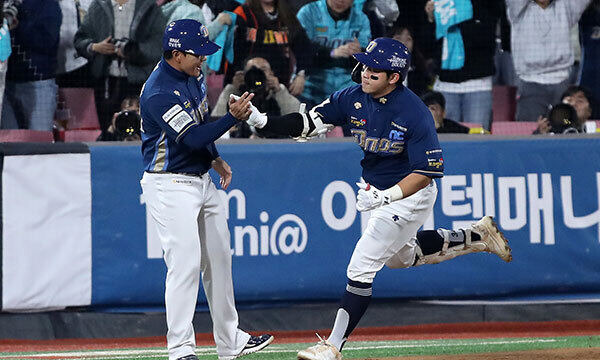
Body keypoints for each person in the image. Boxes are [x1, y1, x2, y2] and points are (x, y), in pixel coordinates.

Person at [241, 37, 512, 360]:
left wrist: (388, 196)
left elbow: (426, 172)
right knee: (399, 258)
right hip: (375, 191)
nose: (365, 72)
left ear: (394, 77)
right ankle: (475, 235)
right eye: (365, 65)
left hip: (410, 195)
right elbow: (309, 121)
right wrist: (261, 121)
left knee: (362, 264)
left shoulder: (414, 112)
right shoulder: (352, 97)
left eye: (375, 70)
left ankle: (332, 345)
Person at [139, 19, 273, 360]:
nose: (204, 59)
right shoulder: (158, 91)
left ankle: (230, 341)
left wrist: (214, 158)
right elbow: (193, 136)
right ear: (176, 54)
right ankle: (180, 349)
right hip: (169, 184)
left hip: (200, 178)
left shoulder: (193, 76)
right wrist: (233, 118)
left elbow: (198, 126)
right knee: (184, 264)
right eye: (197, 53)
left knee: (218, 258)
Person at [74, 0, 166, 131]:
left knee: (142, 133)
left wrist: (132, 51)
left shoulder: (149, 7)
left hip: (141, 83)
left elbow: (158, 45)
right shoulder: (98, 6)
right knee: (108, 132)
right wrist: (95, 47)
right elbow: (80, 40)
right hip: (105, 84)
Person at [507, 0, 591, 122]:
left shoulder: (567, 6)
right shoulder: (518, 7)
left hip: (562, 83)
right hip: (529, 83)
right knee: (529, 136)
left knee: (566, 133)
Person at [427, 0, 502, 131]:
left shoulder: (485, 6)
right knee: (445, 141)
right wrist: (431, 18)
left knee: (478, 143)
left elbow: (489, 37)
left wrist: (461, 21)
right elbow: (428, 44)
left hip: (478, 85)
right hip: (446, 86)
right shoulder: (441, 4)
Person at [227, 0, 312, 96]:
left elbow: (305, 48)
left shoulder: (287, 14)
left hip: (278, 87)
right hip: (246, 86)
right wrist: (236, 75)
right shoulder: (242, 13)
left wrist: (301, 75)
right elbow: (231, 51)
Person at [296, 0, 371, 109]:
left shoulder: (361, 19)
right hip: (312, 88)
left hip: (347, 90)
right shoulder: (308, 12)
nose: (341, 1)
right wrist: (332, 53)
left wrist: (359, 53)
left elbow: (367, 56)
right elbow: (300, 50)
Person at [1, 0, 62, 130]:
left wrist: (17, 28)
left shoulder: (46, 3)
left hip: (38, 83)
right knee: (10, 145)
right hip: (5, 84)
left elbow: (48, 40)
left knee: (39, 142)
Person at [212, 56, 301, 138]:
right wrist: (232, 90)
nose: (257, 75)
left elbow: (298, 121)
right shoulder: (236, 91)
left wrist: (280, 91)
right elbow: (216, 120)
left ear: (271, 74)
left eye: (263, 70)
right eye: (252, 70)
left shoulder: (277, 92)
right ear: (244, 75)